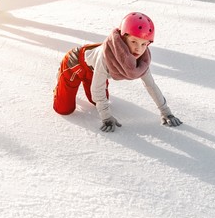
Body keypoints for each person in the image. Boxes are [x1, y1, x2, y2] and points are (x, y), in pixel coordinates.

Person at [53, 12, 182, 132]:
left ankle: (89, 78)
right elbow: (97, 89)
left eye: (144, 44)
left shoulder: (142, 61)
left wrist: (166, 112)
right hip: (76, 64)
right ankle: (60, 81)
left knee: (96, 101)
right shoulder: (105, 56)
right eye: (133, 41)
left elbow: (151, 86)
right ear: (122, 38)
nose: (138, 48)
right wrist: (106, 117)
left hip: (95, 70)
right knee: (64, 109)